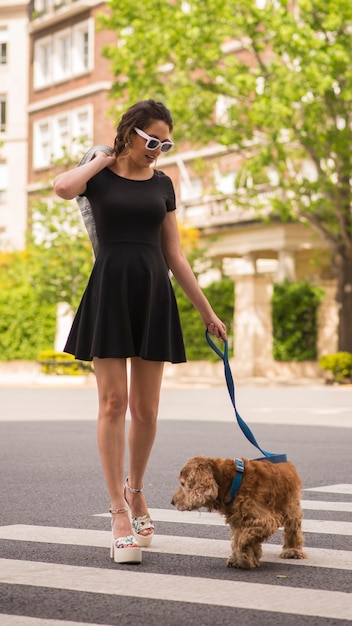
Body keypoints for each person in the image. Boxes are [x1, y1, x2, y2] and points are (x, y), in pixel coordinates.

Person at [53, 99, 227, 565]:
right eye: (151, 141)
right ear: (130, 133)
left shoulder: (164, 184)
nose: (158, 150)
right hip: (109, 292)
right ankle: (117, 513)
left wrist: (207, 312)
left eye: (165, 143)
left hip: (152, 294)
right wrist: (102, 159)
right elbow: (62, 188)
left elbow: (175, 255)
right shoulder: (100, 176)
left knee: (145, 411)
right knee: (112, 404)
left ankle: (136, 491)